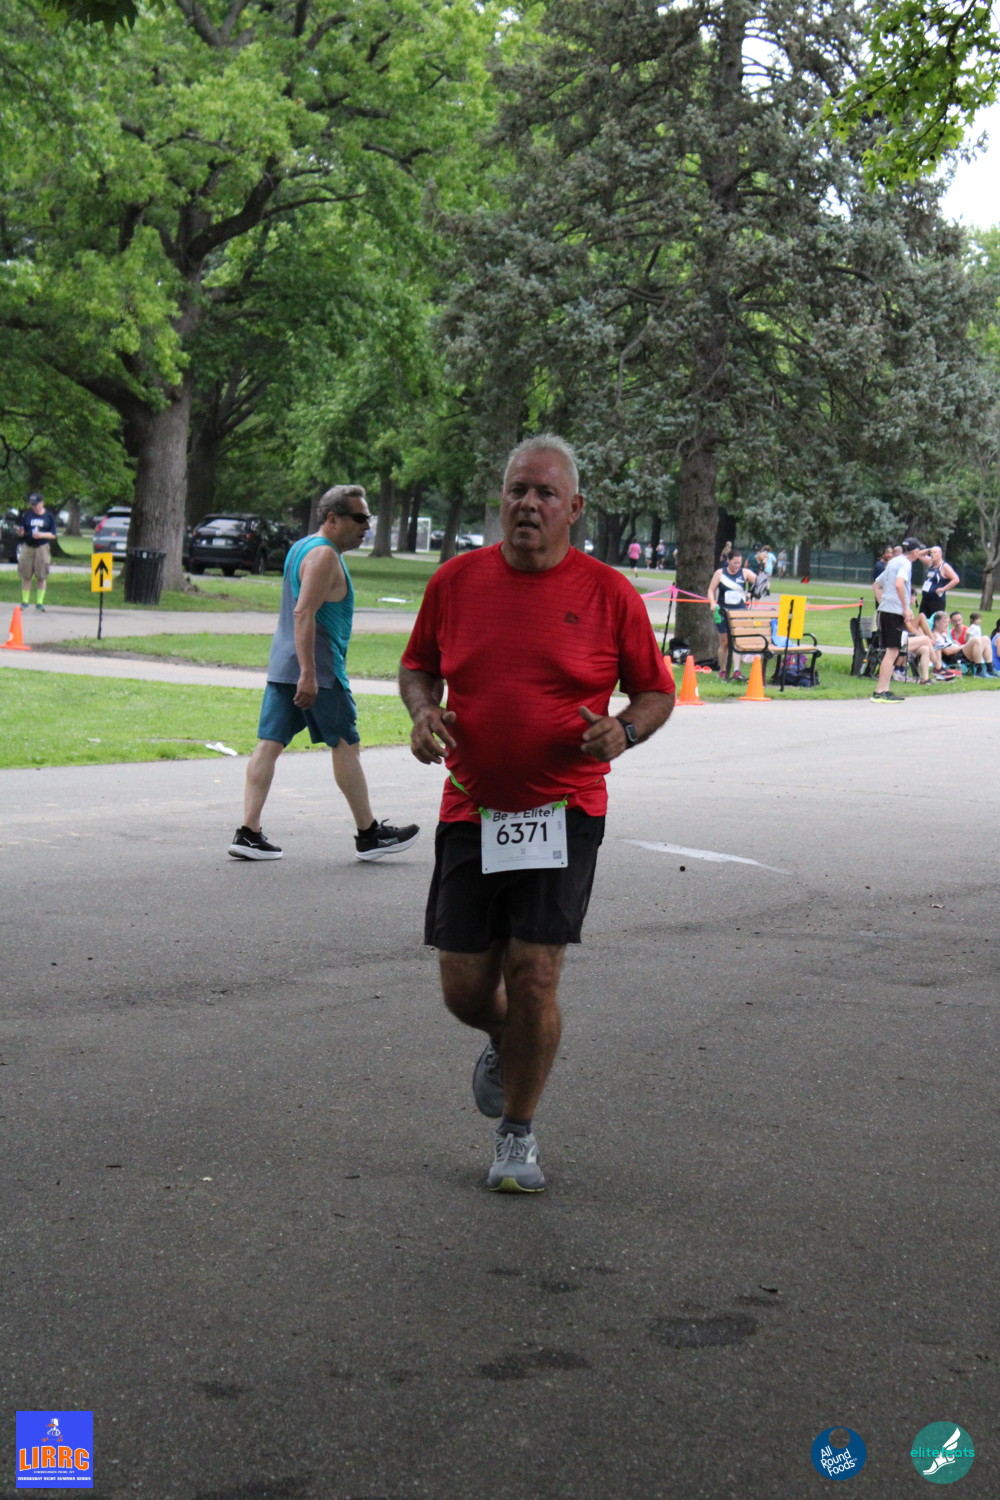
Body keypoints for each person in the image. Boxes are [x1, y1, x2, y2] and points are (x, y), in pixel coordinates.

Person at [398, 435, 675, 1193]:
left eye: (545, 493)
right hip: (472, 806)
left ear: (573, 508)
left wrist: (625, 730)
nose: (528, 504)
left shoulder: (608, 594)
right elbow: (418, 666)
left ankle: (516, 1134)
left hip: (564, 809)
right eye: (517, 489)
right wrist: (423, 711)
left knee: (534, 976)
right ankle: (506, 1038)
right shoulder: (456, 582)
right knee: (464, 988)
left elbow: (656, 691)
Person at [228, 485, 419, 862]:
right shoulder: (324, 555)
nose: (366, 526)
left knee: (269, 743)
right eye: (359, 518)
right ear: (332, 519)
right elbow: (303, 613)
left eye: (368, 518)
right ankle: (369, 834)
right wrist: (309, 674)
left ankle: (248, 833)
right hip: (318, 672)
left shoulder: (302, 547)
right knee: (345, 743)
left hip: (285, 666)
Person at [871, 537, 925, 701]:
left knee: (892, 651)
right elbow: (899, 584)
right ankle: (880, 691)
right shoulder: (905, 564)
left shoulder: (893, 562)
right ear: (915, 551)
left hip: (886, 610)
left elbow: (876, 585)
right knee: (892, 651)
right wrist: (905, 607)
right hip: (894, 613)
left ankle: (884, 689)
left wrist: (883, 602)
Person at [706, 550, 757, 678]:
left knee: (737, 641)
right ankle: (723, 670)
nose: (737, 565)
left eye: (739, 563)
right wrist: (712, 603)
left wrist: (752, 591)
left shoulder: (745, 573)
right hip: (723, 611)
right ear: (728, 561)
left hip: (739, 612)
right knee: (724, 642)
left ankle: (736, 670)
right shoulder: (720, 573)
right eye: (734, 562)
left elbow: (760, 582)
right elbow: (711, 590)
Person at [17, 492, 58, 610]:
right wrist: (20, 532)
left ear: (42, 503)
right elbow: (22, 532)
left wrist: (41, 535)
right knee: (26, 575)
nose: (34, 507)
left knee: (41, 575)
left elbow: (53, 535)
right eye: (32, 505)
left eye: (36, 504)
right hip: (28, 546)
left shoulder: (48, 516)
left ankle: (39, 602)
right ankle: (25, 601)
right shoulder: (27, 515)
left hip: (42, 546)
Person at [918, 546, 959, 631]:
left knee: (935, 622)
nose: (932, 554)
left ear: (940, 554)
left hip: (936, 600)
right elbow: (919, 555)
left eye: (935, 552)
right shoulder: (931, 563)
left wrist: (943, 588)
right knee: (923, 621)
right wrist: (929, 550)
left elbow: (956, 579)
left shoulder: (944, 567)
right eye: (931, 553)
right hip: (926, 599)